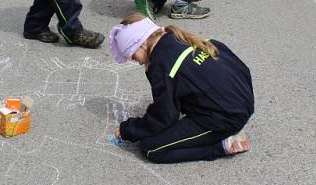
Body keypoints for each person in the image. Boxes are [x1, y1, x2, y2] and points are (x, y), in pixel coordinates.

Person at [108, 14, 254, 163]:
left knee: (152, 148)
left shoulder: (162, 66)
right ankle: (219, 119)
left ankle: (221, 146)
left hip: (226, 117)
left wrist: (131, 129)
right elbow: (242, 69)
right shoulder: (180, 38)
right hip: (244, 100)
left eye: (132, 55)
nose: (134, 61)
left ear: (142, 44)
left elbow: (164, 116)